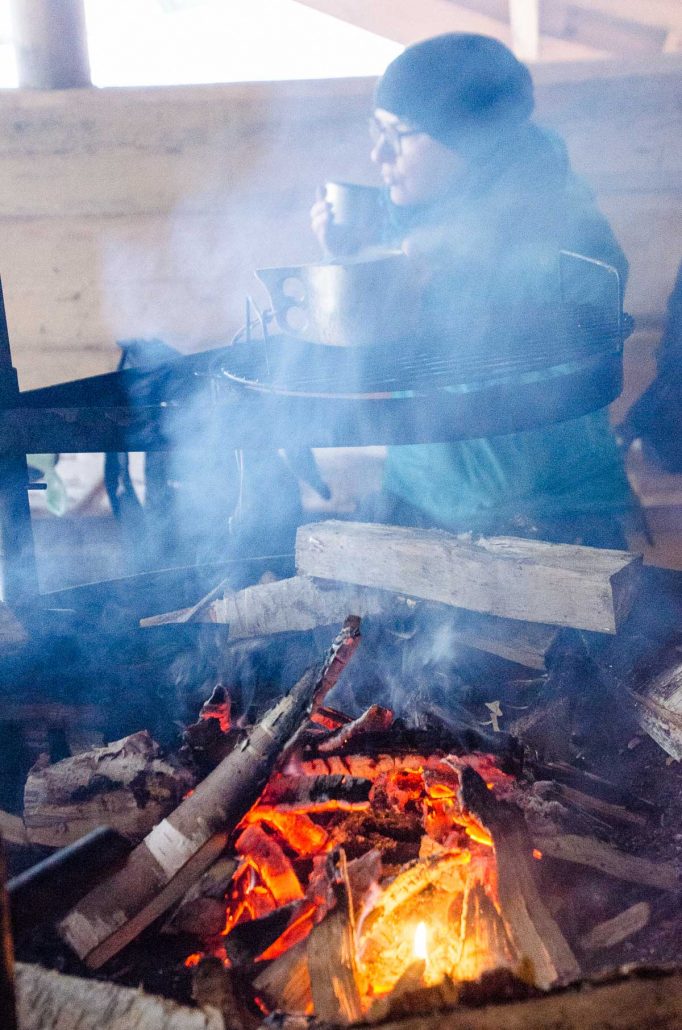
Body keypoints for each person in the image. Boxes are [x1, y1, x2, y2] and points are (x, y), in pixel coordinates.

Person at [311, 33, 635, 548]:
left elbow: (561, 382)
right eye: (376, 129)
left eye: (400, 133)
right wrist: (351, 269)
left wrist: (439, 278)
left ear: (471, 141)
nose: (378, 153)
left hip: (549, 515)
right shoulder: (410, 221)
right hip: (419, 496)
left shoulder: (570, 236)